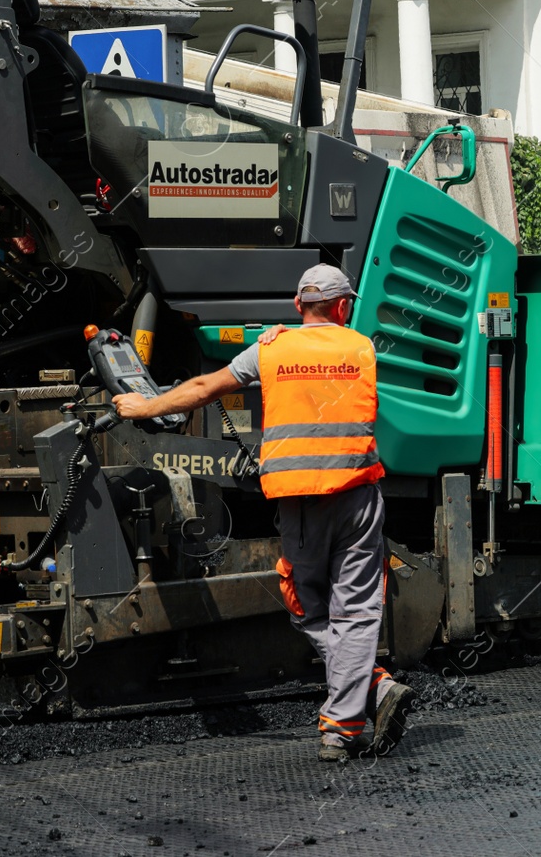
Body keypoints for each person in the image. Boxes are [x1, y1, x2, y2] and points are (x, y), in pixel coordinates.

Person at [112, 264, 414, 763]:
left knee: (303, 605)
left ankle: (349, 716)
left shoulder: (271, 349)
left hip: (298, 502)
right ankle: (362, 702)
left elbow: (206, 387)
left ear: (298, 306)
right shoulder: (362, 347)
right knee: (357, 611)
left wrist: (143, 407)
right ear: (342, 307)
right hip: (358, 499)